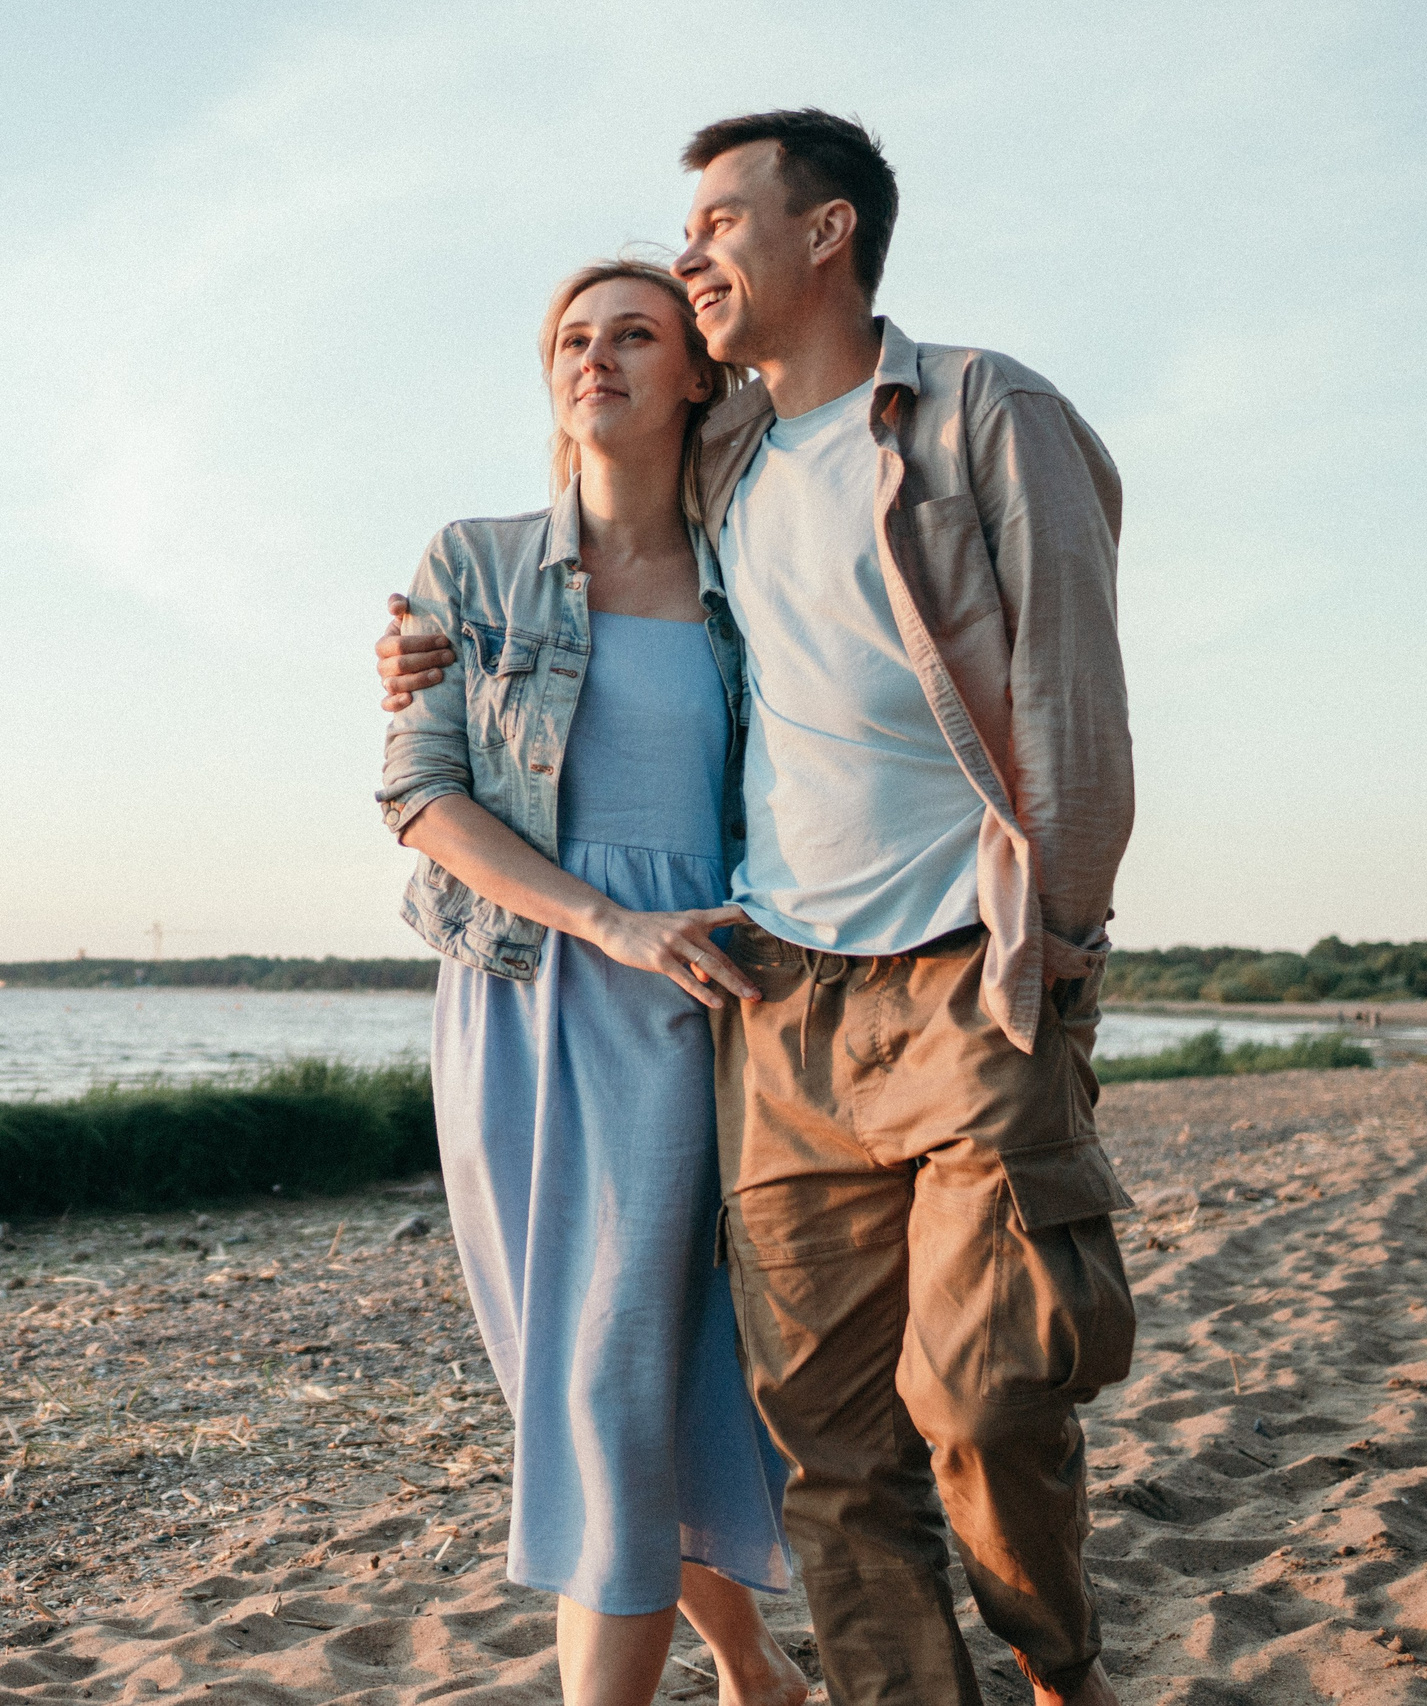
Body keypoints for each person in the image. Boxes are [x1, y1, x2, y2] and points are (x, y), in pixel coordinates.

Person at [377, 111, 1138, 1706]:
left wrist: (1060, 946)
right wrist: (420, 668)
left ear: (828, 234)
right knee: (804, 1438)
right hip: (733, 1003)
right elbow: (458, 738)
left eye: (718, 229)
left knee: (980, 1397)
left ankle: (1055, 1669)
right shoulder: (645, 498)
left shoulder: (952, 419)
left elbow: (1070, 681)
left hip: (921, 982)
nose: (696, 256)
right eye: (583, 329)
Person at [374, 259, 808, 1706]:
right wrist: (601, 921)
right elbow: (423, 797)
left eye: (636, 334)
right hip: (512, 998)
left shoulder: (758, 573)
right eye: (573, 336)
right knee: (593, 1388)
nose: (597, 356)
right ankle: (754, 1670)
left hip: (693, 1007)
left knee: (610, 1391)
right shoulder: (475, 565)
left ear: (699, 372)